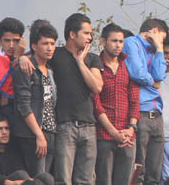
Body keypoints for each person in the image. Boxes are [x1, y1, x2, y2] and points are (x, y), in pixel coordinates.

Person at [34, 13, 103, 185]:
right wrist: (21, 59)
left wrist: (80, 62)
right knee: (63, 179)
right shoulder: (55, 54)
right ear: (72, 34)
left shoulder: (92, 58)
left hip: (89, 125)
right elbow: (31, 57)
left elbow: (97, 87)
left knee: (85, 180)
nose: (90, 37)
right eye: (86, 33)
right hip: (65, 125)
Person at [123, 18, 169, 185]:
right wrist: (153, 83)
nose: (161, 43)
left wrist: (159, 49)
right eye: (161, 39)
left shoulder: (154, 50)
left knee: (155, 173)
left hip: (157, 114)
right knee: (138, 170)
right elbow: (137, 73)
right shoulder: (131, 43)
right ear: (154, 31)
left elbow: (160, 75)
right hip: (140, 112)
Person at [94, 23, 140, 185]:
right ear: (103, 41)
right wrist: (114, 132)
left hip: (128, 136)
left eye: (121, 41)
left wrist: (131, 128)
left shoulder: (127, 64)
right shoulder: (95, 65)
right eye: (114, 41)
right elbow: (96, 103)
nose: (118, 45)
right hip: (104, 134)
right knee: (104, 181)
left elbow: (134, 100)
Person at [11, 20, 57, 176]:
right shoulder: (26, 69)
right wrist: (38, 134)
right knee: (37, 179)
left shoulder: (50, 69)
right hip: (33, 133)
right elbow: (24, 106)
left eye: (52, 43)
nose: (49, 47)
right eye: (45, 43)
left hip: (51, 131)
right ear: (34, 46)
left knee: (46, 178)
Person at [0, 19, 26, 117]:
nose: (11, 45)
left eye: (16, 40)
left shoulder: (29, 62)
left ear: (22, 40)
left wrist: (19, 57)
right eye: (7, 40)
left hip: (21, 117)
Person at [0, 114, 30, 185]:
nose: (4, 132)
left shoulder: (13, 151)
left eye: (7, 128)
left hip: (17, 182)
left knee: (45, 177)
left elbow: (21, 170)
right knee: (21, 175)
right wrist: (7, 182)